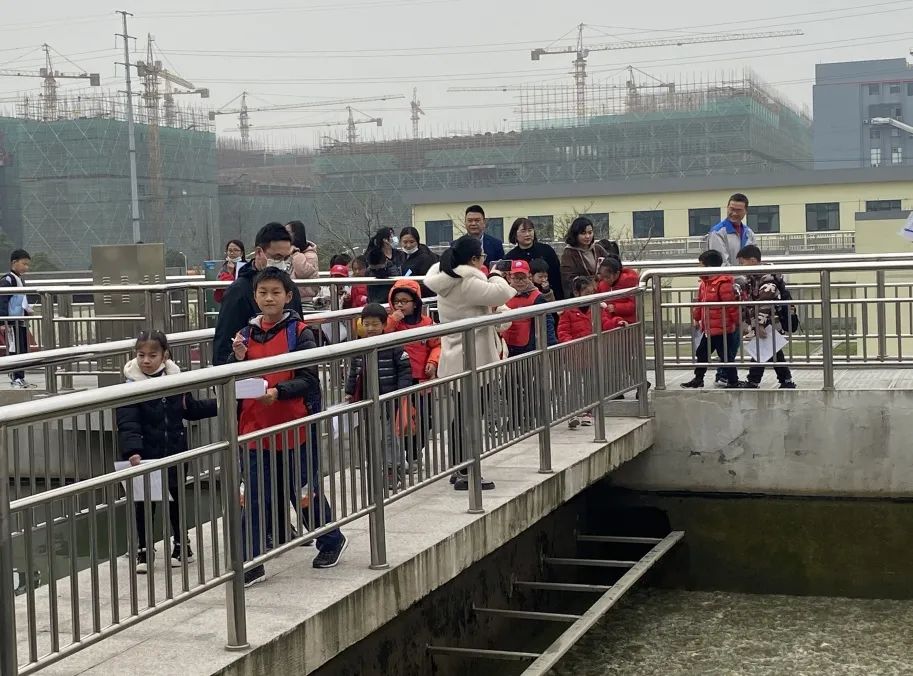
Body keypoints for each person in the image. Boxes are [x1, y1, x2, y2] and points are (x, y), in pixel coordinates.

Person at [230, 268, 347, 586]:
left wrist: (278, 392)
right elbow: (235, 379)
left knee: (303, 491)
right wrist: (237, 360)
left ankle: (330, 540)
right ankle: (251, 561)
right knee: (254, 495)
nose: (269, 298)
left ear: (288, 296)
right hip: (254, 428)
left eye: (275, 292)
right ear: (255, 296)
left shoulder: (300, 332)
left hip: (295, 425)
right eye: (263, 292)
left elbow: (309, 379)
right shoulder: (245, 335)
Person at [116, 330, 217, 573]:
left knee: (176, 497)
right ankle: (144, 548)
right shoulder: (130, 385)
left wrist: (222, 403)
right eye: (141, 355)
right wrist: (132, 450)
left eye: (152, 355)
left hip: (174, 448)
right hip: (144, 453)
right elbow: (128, 422)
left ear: (165, 356)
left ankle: (182, 545)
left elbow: (190, 409)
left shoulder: (175, 380)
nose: (146, 361)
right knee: (144, 501)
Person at [424, 235, 516, 491]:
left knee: (462, 415)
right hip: (474, 356)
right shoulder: (468, 281)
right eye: (482, 257)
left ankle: (459, 468)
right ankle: (467, 471)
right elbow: (503, 293)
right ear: (474, 259)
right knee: (472, 416)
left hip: (455, 354)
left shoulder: (445, 277)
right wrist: (496, 274)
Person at [212, 222, 302, 366]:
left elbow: (299, 334)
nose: (282, 263)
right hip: (252, 372)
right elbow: (225, 344)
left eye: (286, 258)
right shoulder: (238, 291)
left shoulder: (290, 288)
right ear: (259, 252)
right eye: (277, 257)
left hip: (288, 371)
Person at [345, 303, 412, 488]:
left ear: (384, 324)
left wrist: (401, 391)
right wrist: (349, 392)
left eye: (375, 324)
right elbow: (354, 372)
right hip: (368, 398)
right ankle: (379, 467)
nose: (370, 328)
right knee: (372, 436)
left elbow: (405, 369)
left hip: (390, 398)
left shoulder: (393, 344)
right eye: (366, 324)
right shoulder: (359, 347)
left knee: (390, 435)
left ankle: (392, 470)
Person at [557, 276, 627, 428]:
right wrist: (571, 344)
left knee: (590, 385)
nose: (591, 296)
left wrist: (617, 322)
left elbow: (605, 323)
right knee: (574, 385)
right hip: (575, 355)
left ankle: (588, 412)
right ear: (577, 293)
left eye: (592, 292)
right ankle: (572, 413)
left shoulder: (597, 308)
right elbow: (563, 331)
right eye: (587, 293)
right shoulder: (568, 311)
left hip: (592, 353)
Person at [681, 250, 744, 390]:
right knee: (702, 353)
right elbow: (700, 302)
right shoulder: (705, 283)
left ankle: (733, 380)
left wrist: (738, 322)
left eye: (700, 265)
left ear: (709, 266)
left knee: (726, 356)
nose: (698, 268)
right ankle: (699, 379)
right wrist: (696, 318)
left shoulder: (723, 283)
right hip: (709, 328)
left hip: (723, 329)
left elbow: (731, 306)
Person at [736, 245, 796, 390]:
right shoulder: (754, 277)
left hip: (770, 320)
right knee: (771, 350)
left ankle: (755, 380)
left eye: (742, 262)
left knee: (764, 349)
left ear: (753, 261)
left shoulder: (767, 278)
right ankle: (785, 379)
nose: (741, 266)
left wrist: (759, 324)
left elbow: (765, 302)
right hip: (765, 321)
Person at [502, 260, 557, 357]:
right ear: (509, 278)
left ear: (530, 277)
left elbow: (547, 320)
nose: (520, 282)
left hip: (528, 348)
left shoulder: (537, 297)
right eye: (516, 278)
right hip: (506, 346)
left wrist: (551, 343)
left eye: (523, 278)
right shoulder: (503, 295)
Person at [504, 218, 563, 300]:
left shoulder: (547, 250)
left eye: (530, 230)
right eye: (523, 231)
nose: (527, 234)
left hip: (549, 297)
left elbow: (557, 277)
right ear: (515, 234)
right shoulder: (510, 257)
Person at [0, 249, 33, 388]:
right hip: (12, 322)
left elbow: (22, 300)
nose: (26, 267)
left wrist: (27, 311)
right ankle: (15, 377)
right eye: (24, 264)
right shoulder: (8, 280)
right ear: (14, 262)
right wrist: (2, 321)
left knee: (22, 348)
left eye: (27, 264)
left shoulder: (19, 280)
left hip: (20, 321)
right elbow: (2, 301)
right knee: (15, 349)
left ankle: (20, 376)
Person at [560, 217, 609, 300]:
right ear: (575, 234)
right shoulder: (569, 253)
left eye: (590, 232)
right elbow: (568, 278)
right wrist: (590, 281)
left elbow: (611, 263)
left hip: (603, 292)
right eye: (583, 233)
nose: (587, 236)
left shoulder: (598, 248)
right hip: (583, 297)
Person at [707, 193, 756, 267]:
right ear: (727, 208)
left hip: (746, 274)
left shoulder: (749, 233)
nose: (734, 213)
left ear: (746, 211)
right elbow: (721, 264)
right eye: (732, 209)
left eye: (739, 210)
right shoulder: (717, 233)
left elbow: (755, 259)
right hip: (728, 274)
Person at [285, 220, 321, 311]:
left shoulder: (310, 255)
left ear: (297, 234)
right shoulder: (287, 253)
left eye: (287, 232)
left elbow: (303, 272)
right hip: (288, 299)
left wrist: (296, 253)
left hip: (305, 301)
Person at [596, 256, 639, 325]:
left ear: (617, 274)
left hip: (627, 322)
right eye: (602, 277)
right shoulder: (602, 285)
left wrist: (616, 308)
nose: (605, 280)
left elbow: (634, 304)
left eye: (607, 277)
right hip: (609, 322)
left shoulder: (629, 282)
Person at [214, 240, 246, 304]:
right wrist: (229, 273)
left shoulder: (246, 267)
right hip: (227, 302)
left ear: (241, 253)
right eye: (230, 250)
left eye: (235, 250)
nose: (232, 253)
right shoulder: (223, 268)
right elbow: (219, 293)